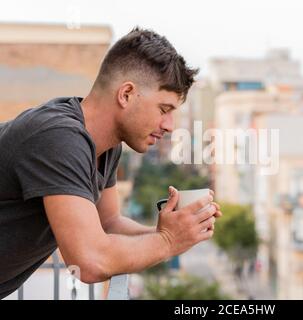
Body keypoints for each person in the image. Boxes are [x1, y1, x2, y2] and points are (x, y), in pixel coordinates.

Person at [0, 27, 222, 299]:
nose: (169, 126)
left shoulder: (106, 146)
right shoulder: (59, 138)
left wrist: (173, 231)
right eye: (164, 110)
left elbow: (108, 223)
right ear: (126, 94)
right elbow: (89, 261)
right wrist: (168, 241)